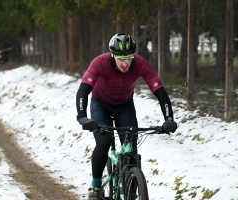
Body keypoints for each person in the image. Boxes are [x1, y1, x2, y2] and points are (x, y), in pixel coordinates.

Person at [75, 33, 177, 200]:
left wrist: (169, 119)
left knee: (131, 148)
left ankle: (131, 192)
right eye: (121, 58)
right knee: (104, 140)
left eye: (129, 58)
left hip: (124, 106)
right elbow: (84, 90)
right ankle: (95, 186)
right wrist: (82, 116)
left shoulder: (140, 64)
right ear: (113, 55)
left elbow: (159, 91)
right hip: (100, 104)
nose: (125, 63)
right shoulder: (99, 62)